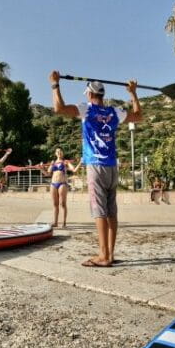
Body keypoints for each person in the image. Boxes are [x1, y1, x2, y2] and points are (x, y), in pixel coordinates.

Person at [50, 70, 142, 267]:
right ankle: (109, 254)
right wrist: (132, 93)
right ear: (102, 95)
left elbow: (59, 108)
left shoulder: (87, 109)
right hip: (112, 166)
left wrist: (55, 85)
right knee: (111, 212)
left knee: (99, 210)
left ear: (90, 95)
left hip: (95, 166)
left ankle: (103, 255)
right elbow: (138, 116)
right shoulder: (114, 112)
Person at [40, 148, 78, 228]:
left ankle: (64, 223)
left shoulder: (65, 162)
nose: (59, 152)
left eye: (60, 151)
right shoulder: (53, 163)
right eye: (57, 151)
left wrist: (76, 163)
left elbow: (73, 169)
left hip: (62, 183)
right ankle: (55, 222)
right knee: (55, 204)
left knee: (63, 204)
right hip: (53, 183)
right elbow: (47, 173)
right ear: (55, 153)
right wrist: (40, 168)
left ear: (62, 153)